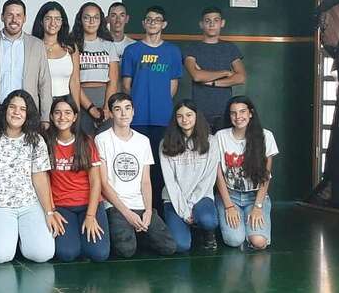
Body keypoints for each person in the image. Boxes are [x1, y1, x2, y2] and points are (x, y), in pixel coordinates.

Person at [0, 90, 64, 263]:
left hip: (29, 204)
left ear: (28, 114)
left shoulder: (36, 140)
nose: (17, 112)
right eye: (13, 107)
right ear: (5, 110)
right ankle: (9, 239)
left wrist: (49, 211)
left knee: (43, 254)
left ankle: (20, 238)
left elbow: (40, 178)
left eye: (22, 109)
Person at [95, 92, 176, 258]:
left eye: (127, 108)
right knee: (127, 251)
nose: (123, 113)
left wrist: (147, 210)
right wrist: (127, 213)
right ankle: (130, 231)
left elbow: (146, 181)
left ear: (134, 111)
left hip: (140, 203)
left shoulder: (143, 141)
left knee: (169, 247)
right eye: (118, 109)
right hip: (116, 206)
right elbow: (103, 183)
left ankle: (139, 231)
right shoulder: (101, 140)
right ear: (111, 114)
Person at [121, 5, 183, 213]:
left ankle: (156, 211)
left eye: (157, 19)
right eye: (149, 19)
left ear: (164, 24)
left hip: (162, 119)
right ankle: (136, 209)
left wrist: (161, 101)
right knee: (137, 167)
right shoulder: (132, 51)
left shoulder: (173, 52)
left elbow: (173, 86)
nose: (153, 22)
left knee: (159, 168)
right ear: (143, 23)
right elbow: (127, 85)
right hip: (137, 120)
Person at [0, 0, 52, 131]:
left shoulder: (37, 45)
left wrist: (45, 117)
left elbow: (45, 83)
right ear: (2, 17)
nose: (14, 19)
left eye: (18, 15)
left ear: (24, 18)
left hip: (27, 112)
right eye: (10, 15)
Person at [45, 97, 109, 262]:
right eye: (57, 113)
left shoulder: (86, 141)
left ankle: (83, 239)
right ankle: (76, 241)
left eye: (67, 113)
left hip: (88, 204)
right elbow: (43, 181)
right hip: (62, 206)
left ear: (74, 117)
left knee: (99, 254)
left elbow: (96, 183)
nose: (62, 117)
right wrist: (51, 210)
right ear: (51, 116)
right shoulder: (46, 142)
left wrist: (90, 216)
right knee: (67, 253)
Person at [215, 96, 279, 250]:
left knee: (258, 242)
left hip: (255, 197)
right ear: (229, 116)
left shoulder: (266, 136)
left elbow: (266, 176)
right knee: (234, 240)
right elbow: (218, 176)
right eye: (233, 113)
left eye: (242, 112)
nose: (238, 117)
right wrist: (229, 206)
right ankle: (240, 227)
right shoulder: (220, 137)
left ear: (250, 113)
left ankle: (250, 227)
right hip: (230, 196)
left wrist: (258, 206)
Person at [159, 99, 220, 252]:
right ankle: (186, 224)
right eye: (180, 116)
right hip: (174, 199)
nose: (185, 119)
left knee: (208, 220)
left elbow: (208, 179)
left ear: (196, 116)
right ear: (175, 119)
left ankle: (206, 232)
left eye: (189, 115)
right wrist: (184, 211)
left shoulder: (211, 142)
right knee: (181, 245)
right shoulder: (165, 143)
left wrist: (192, 204)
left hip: (201, 197)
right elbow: (170, 181)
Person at [184, 7, 247, 132]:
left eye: (216, 20)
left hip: (225, 111)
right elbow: (196, 76)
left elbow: (241, 77)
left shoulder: (230, 48)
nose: (212, 24)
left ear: (222, 23)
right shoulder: (192, 48)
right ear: (201, 24)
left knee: (223, 150)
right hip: (200, 112)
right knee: (201, 150)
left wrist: (212, 82)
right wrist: (224, 72)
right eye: (207, 21)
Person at [70, 2, 120, 135]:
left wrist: (107, 107)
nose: (91, 22)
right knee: (84, 143)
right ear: (80, 20)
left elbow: (113, 81)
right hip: (81, 97)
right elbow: (74, 81)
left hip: (105, 97)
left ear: (101, 21)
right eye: (87, 17)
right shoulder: (72, 46)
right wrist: (90, 107)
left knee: (103, 143)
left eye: (96, 17)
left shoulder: (109, 46)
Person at [31, 1, 80, 106]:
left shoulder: (71, 47)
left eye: (57, 19)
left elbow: (75, 81)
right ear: (41, 21)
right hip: (39, 103)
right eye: (48, 18)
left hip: (65, 103)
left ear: (62, 22)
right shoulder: (33, 46)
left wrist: (77, 109)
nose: (53, 23)